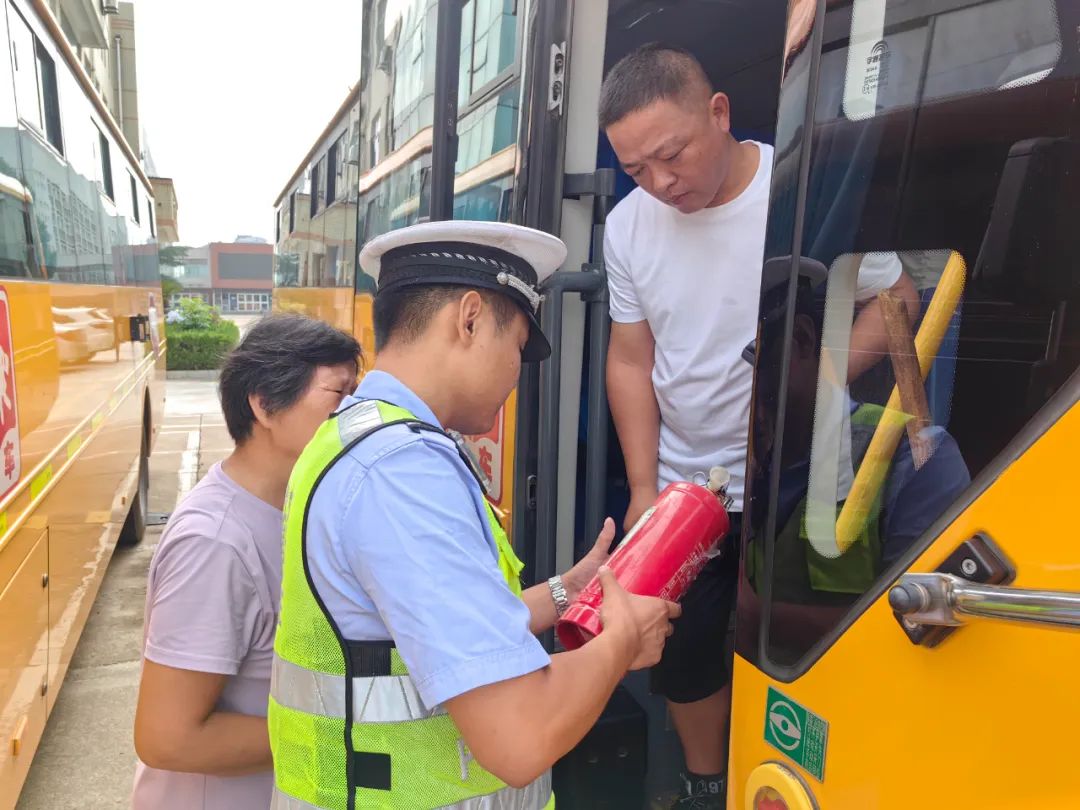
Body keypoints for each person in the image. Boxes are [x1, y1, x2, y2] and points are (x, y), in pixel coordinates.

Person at [598, 43, 921, 807]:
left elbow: (901, 296)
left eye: (671, 155)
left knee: (808, 643)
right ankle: (707, 785)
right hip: (687, 485)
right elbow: (628, 360)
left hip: (803, 473)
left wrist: (811, 385)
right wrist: (645, 486)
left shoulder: (805, 188)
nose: (660, 183)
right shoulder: (626, 227)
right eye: (637, 169)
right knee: (683, 654)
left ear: (719, 114)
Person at [268, 220, 680, 810]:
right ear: (468, 318)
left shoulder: (358, 434)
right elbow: (520, 734)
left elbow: (431, 629)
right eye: (516, 346)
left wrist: (570, 591)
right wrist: (621, 642)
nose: (518, 372)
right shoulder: (401, 470)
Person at [132, 314, 361, 809]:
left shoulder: (299, 508)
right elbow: (168, 738)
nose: (356, 412)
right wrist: (352, 738)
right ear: (263, 403)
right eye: (339, 393)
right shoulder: (214, 543)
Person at [741, 260, 971, 659]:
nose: (737, 396)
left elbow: (917, 628)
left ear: (801, 339)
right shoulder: (750, 462)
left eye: (752, 365)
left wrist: (754, 613)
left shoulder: (914, 459)